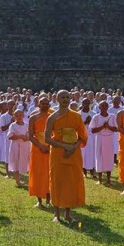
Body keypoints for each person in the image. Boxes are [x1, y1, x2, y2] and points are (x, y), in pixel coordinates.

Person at [45, 90, 87, 223]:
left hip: (73, 152)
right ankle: (56, 214)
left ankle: (68, 213)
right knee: (57, 181)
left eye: (67, 97)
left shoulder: (76, 116)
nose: (65, 99)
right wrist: (64, 146)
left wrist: (73, 147)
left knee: (71, 181)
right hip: (58, 153)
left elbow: (82, 136)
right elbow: (47, 139)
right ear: (57, 99)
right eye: (62, 97)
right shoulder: (52, 117)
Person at [28, 96, 52, 207]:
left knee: (49, 173)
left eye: (47, 103)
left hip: (50, 148)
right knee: (37, 173)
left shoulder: (52, 117)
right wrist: (40, 146)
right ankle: (39, 200)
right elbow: (30, 135)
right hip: (37, 148)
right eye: (43, 103)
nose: (45, 105)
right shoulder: (33, 118)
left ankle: (49, 199)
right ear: (38, 105)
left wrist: (49, 146)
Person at [90, 101, 116, 186]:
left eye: (106, 105)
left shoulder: (112, 116)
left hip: (109, 139)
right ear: (99, 107)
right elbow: (93, 130)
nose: (104, 107)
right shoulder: (96, 117)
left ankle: (109, 179)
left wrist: (108, 126)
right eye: (102, 105)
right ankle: (100, 179)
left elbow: (115, 129)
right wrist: (102, 127)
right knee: (99, 157)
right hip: (100, 138)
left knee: (109, 158)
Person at [7, 109, 30, 186]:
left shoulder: (27, 125)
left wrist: (27, 137)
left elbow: (30, 135)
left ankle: (29, 178)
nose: (19, 117)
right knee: (16, 161)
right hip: (15, 146)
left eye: (20, 115)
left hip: (25, 145)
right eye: (17, 116)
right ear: (14, 117)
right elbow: (10, 136)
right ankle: (18, 181)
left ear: (23, 115)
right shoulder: (13, 125)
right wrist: (20, 136)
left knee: (26, 160)